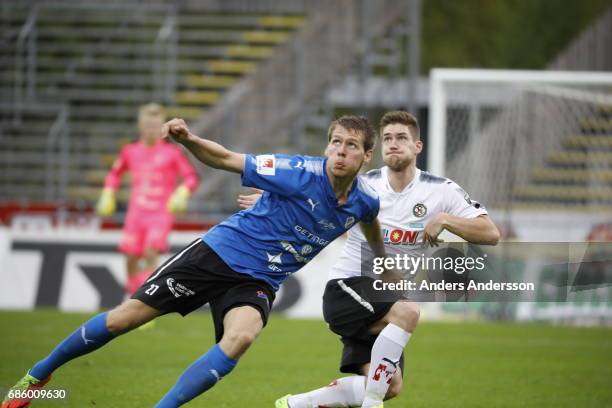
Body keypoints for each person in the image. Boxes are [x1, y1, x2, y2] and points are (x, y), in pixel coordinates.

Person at [2, 115, 387, 408]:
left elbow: (371, 227)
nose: (340, 150)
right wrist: (188, 140)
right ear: (326, 147)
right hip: (216, 254)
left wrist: (383, 264)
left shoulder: (365, 201)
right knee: (125, 319)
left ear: (367, 155)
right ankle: (37, 374)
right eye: (335, 142)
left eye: (351, 145)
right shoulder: (295, 172)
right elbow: (224, 159)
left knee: (242, 336)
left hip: (257, 281)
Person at [239, 111, 500, 408]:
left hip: (386, 306)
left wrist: (446, 220)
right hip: (348, 289)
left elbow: (490, 233)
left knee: (389, 386)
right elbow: (312, 201)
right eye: (387, 138)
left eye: (401, 137)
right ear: (378, 150)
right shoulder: (362, 188)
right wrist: (273, 202)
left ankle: (295, 405)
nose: (393, 143)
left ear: (418, 146)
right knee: (410, 312)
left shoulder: (442, 191)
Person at [96, 103, 199, 295]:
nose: (151, 130)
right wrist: (108, 193)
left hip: (160, 213)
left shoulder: (172, 153)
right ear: (140, 126)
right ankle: (133, 294)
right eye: (147, 126)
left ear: (161, 127)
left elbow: (191, 177)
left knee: (151, 252)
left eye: (155, 126)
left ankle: (146, 300)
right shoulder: (130, 151)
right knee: (131, 257)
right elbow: (114, 174)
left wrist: (181, 193)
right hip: (136, 213)